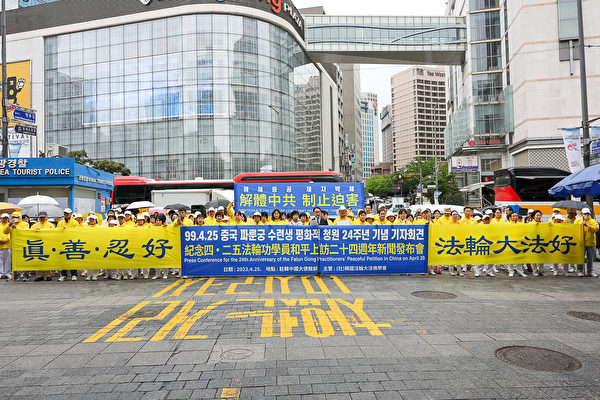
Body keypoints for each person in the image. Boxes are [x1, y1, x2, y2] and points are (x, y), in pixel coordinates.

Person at [57, 208, 80, 282]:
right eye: (65, 213)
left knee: (73, 258)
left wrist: (68, 230)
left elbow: (77, 231)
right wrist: (61, 230)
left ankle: (74, 274)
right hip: (63, 243)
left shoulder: (75, 222)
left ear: (71, 214)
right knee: (63, 259)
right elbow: (57, 231)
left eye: (67, 213)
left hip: (72, 242)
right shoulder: (60, 223)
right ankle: (63, 275)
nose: (66, 214)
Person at [576, 207, 599, 277]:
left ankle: (590, 271)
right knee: (580, 258)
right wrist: (580, 226)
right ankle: (579, 271)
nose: (586, 214)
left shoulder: (593, 221)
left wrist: (587, 225)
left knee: (590, 258)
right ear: (582, 214)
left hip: (591, 243)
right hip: (581, 243)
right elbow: (574, 229)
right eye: (585, 213)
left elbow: (596, 229)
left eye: (588, 213)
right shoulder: (577, 221)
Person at [32, 211, 55, 281]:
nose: (42, 218)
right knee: (38, 260)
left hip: (48, 245)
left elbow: (54, 234)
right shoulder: (34, 226)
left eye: (43, 217)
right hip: (38, 245)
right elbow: (30, 233)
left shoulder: (51, 225)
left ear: (46, 217)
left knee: (48, 260)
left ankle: (49, 275)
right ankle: (39, 275)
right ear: (39, 218)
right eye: (41, 217)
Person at [84, 214, 100, 281]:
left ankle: (95, 275)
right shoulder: (86, 228)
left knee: (95, 261)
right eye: (90, 219)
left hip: (96, 246)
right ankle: (89, 275)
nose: (91, 220)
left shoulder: (99, 228)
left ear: (95, 220)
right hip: (88, 246)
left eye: (93, 219)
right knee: (88, 261)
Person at [0, 214, 11, 280]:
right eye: (3, 218)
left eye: (6, 218)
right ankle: (1, 273)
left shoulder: (10, 225)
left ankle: (7, 273)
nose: (5, 219)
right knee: (0, 260)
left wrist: (6, 239)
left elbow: (10, 234)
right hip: (0, 245)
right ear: (1, 218)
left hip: (8, 245)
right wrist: (0, 240)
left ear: (8, 219)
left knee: (8, 260)